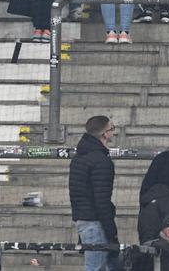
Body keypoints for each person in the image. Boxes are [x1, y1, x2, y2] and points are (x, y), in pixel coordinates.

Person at [69, 115, 118, 271]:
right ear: (105, 133)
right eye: (112, 128)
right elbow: (101, 199)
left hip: (83, 218)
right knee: (95, 267)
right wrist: (112, 232)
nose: (113, 132)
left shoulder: (80, 157)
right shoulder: (101, 160)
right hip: (95, 222)